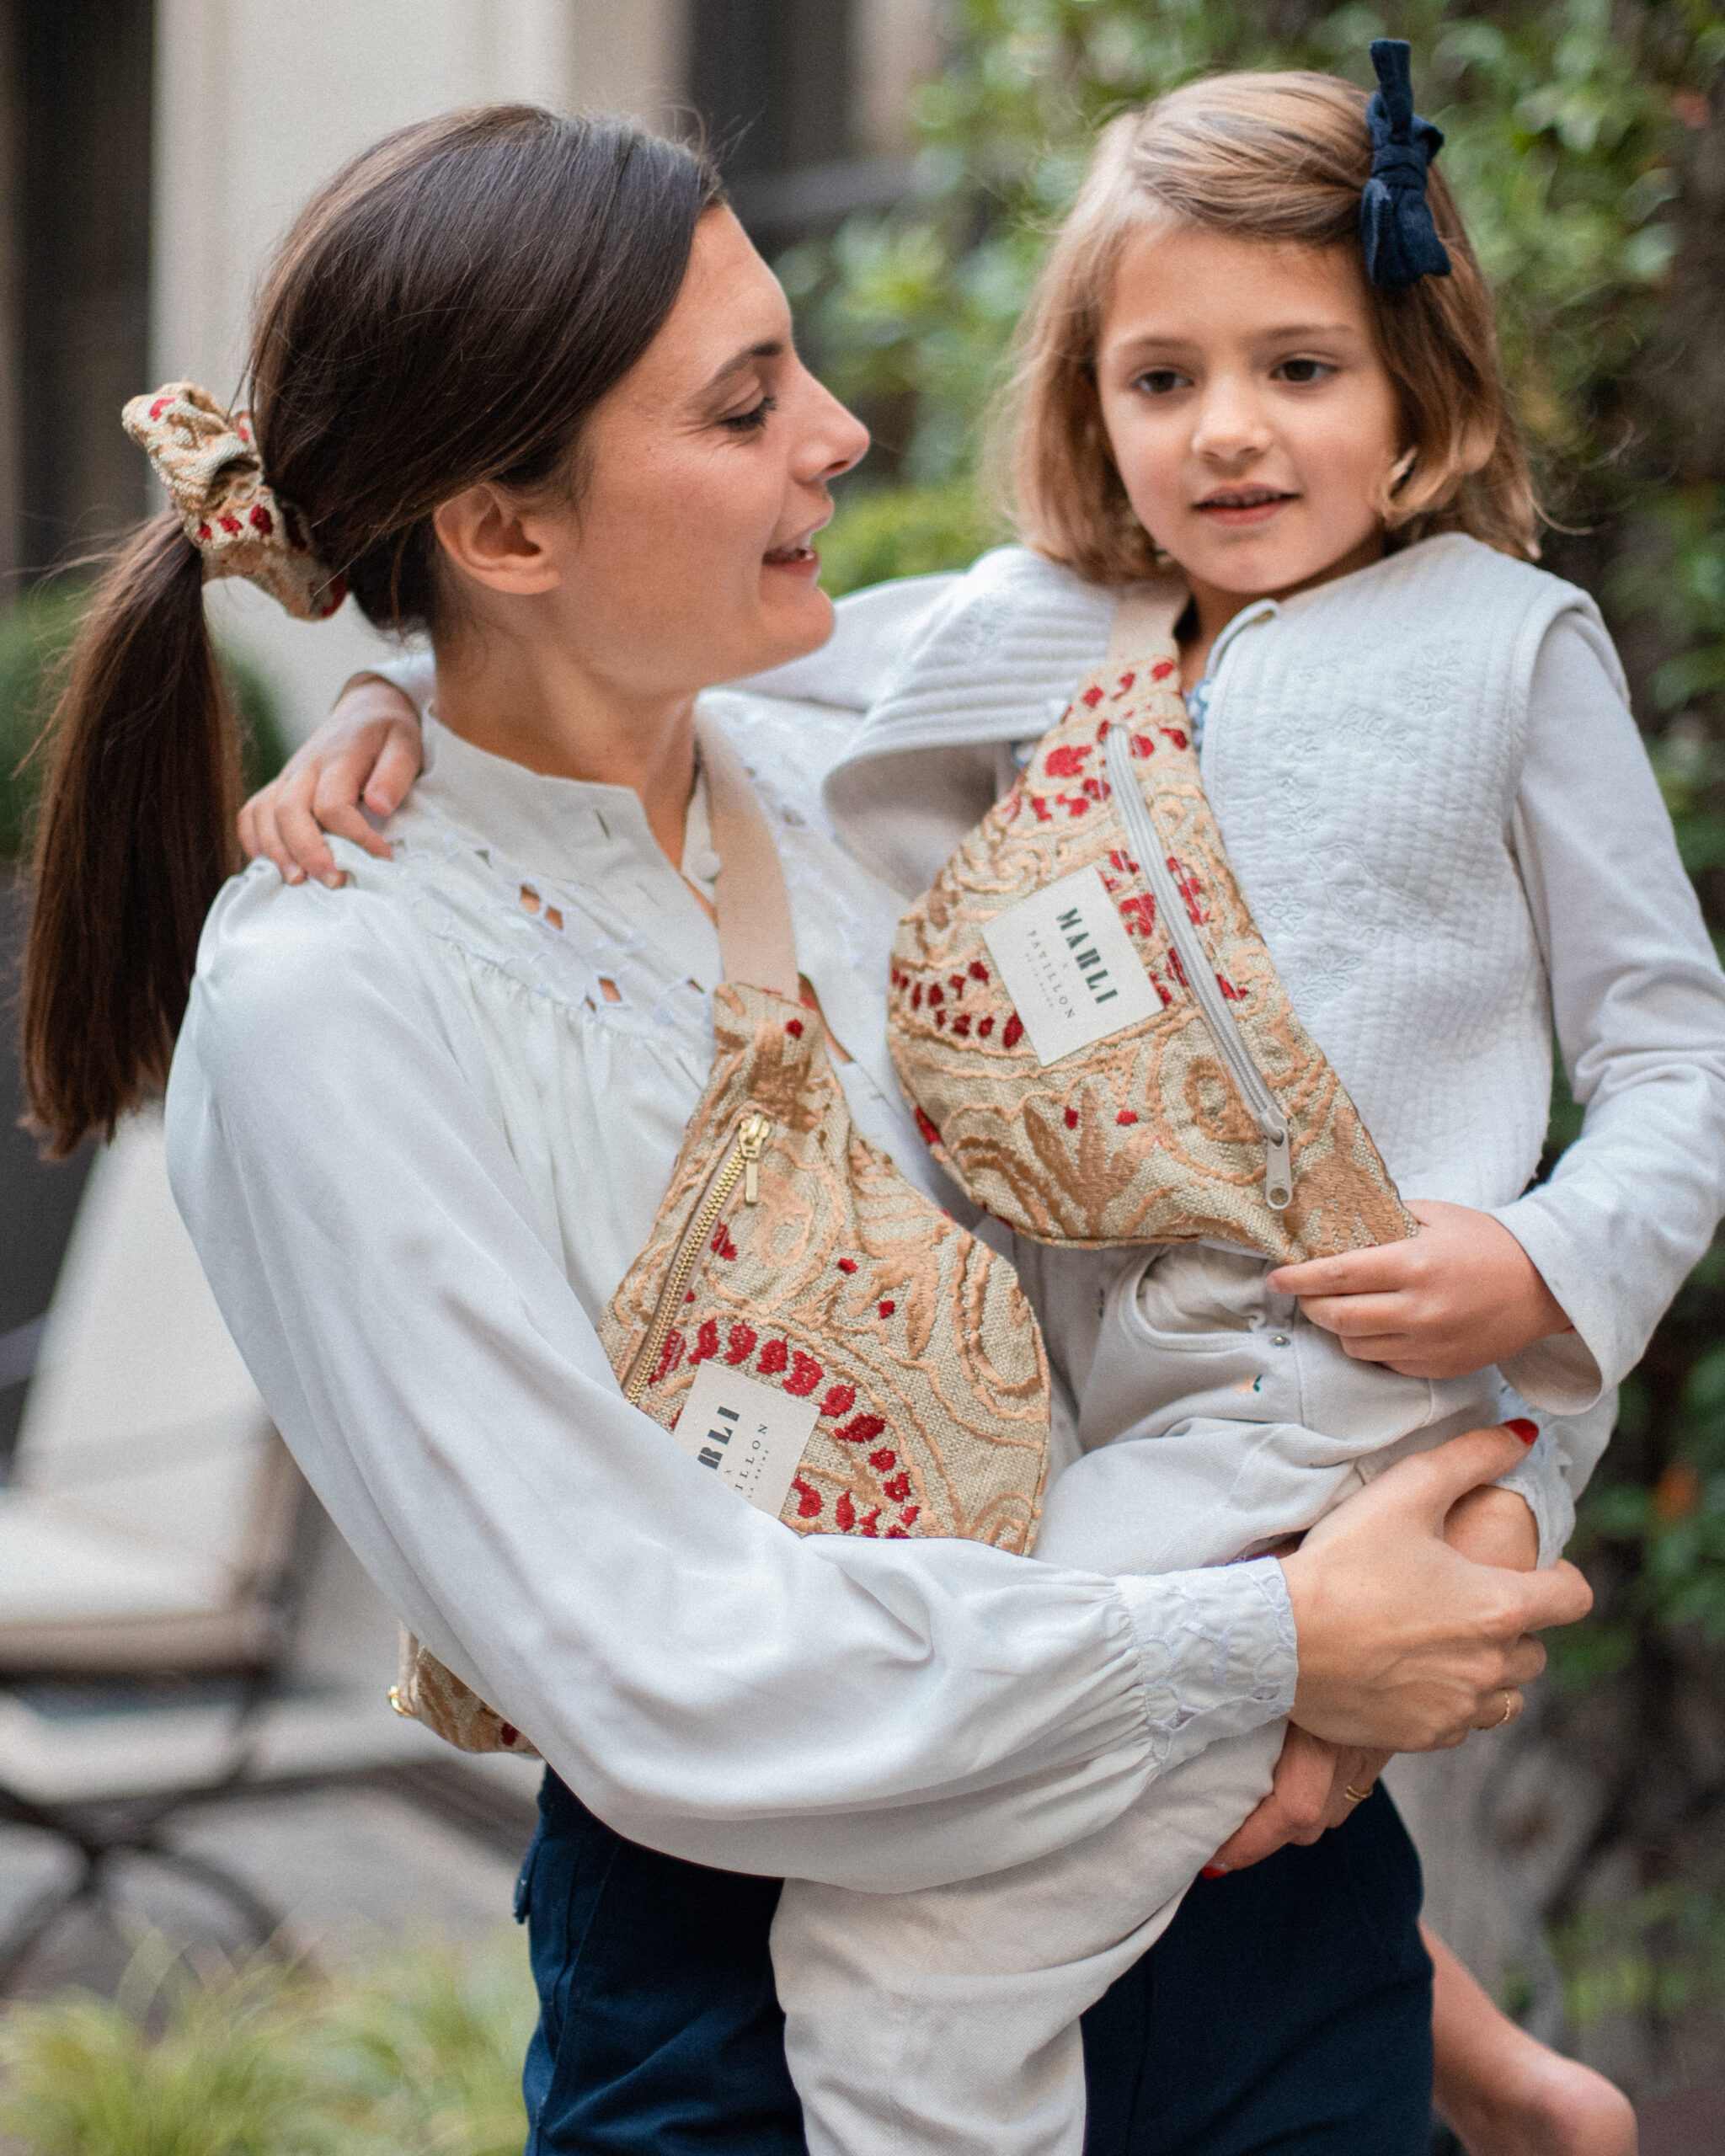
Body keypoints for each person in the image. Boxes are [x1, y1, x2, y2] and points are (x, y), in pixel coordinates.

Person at [39, 103, 1590, 2156]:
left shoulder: (882, 747)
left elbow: (1309, 633)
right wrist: (1279, 1640)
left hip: (1254, 1906)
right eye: (748, 400)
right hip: (760, 2011)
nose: (844, 433)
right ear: (505, 528)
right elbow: (656, 1660)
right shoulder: (339, 997)